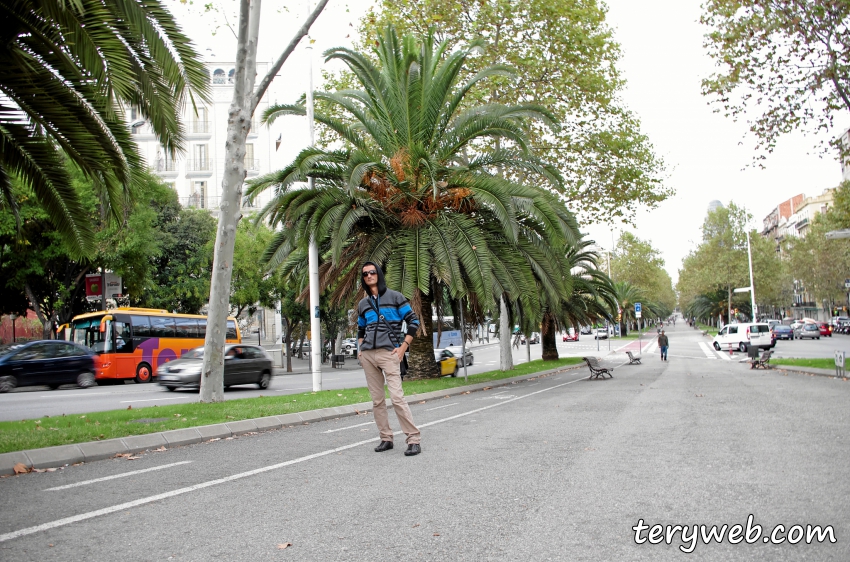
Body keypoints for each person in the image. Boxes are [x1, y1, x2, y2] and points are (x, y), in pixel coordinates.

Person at [357, 261, 422, 456]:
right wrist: (360, 348)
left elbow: (413, 321)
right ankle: (386, 438)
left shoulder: (395, 297)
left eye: (372, 272)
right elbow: (361, 328)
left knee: (396, 397)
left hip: (389, 353)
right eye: (365, 274)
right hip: (368, 355)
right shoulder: (363, 304)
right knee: (377, 401)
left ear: (378, 274)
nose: (369, 276)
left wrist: (403, 347)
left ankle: (413, 439)